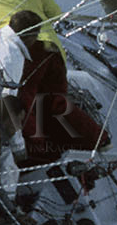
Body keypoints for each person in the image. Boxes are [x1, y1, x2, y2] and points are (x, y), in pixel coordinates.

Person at [7, 9, 110, 168]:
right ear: (34, 35)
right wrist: (97, 137)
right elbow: (55, 102)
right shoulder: (42, 56)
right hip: (12, 124)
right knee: (47, 150)